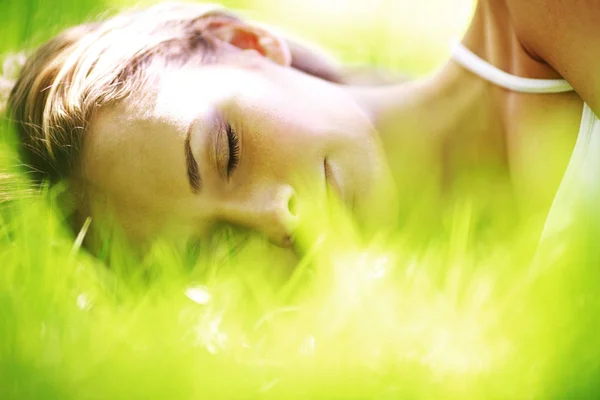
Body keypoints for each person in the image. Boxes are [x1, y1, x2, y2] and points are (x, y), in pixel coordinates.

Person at [5, 0, 599, 253]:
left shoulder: (537, 20)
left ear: (245, 43)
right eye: (217, 247)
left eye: (227, 151)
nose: (277, 216)